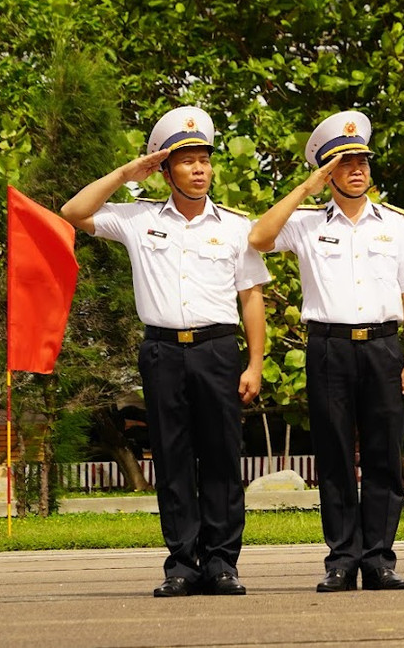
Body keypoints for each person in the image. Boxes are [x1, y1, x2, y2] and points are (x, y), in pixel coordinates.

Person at [61, 106, 267, 598]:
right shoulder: (139, 219)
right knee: (172, 458)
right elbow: (74, 212)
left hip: (218, 349)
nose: (199, 169)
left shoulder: (237, 227)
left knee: (221, 457)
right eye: (187, 160)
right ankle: (182, 563)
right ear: (165, 168)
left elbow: (251, 296)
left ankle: (221, 563)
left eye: (205, 159)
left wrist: (255, 363)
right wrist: (126, 174)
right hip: (162, 351)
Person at [248, 110, 404, 592]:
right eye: (344, 163)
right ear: (326, 171)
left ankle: (378, 559)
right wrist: (303, 191)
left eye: (362, 161)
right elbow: (259, 237)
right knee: (333, 457)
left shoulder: (397, 226)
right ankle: (341, 559)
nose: (357, 170)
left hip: (382, 347)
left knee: (382, 457)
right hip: (328, 347)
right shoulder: (307, 223)